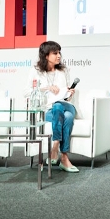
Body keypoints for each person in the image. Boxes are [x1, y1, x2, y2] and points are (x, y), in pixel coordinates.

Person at [25, 41, 79, 173]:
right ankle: (64, 158)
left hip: (67, 105)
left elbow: (66, 96)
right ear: (46, 55)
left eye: (59, 52)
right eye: (55, 53)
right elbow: (26, 92)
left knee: (60, 106)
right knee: (66, 116)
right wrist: (47, 88)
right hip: (48, 109)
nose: (59, 56)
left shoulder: (63, 70)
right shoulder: (36, 71)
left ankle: (55, 145)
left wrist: (69, 93)